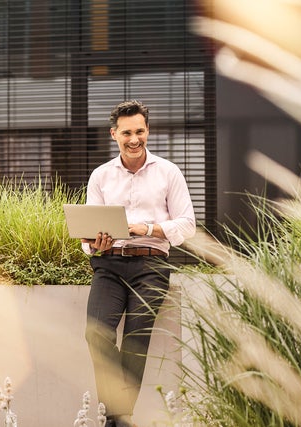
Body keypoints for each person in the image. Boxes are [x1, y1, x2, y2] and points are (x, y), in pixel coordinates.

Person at [81, 100, 197, 427]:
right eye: (127, 132)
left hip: (152, 266)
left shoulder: (168, 172)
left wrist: (148, 229)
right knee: (97, 334)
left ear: (148, 131)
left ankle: (114, 419)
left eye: (140, 131)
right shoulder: (101, 176)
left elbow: (187, 224)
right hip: (109, 265)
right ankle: (120, 418)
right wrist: (94, 243)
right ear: (114, 134)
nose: (135, 139)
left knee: (136, 339)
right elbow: (88, 228)